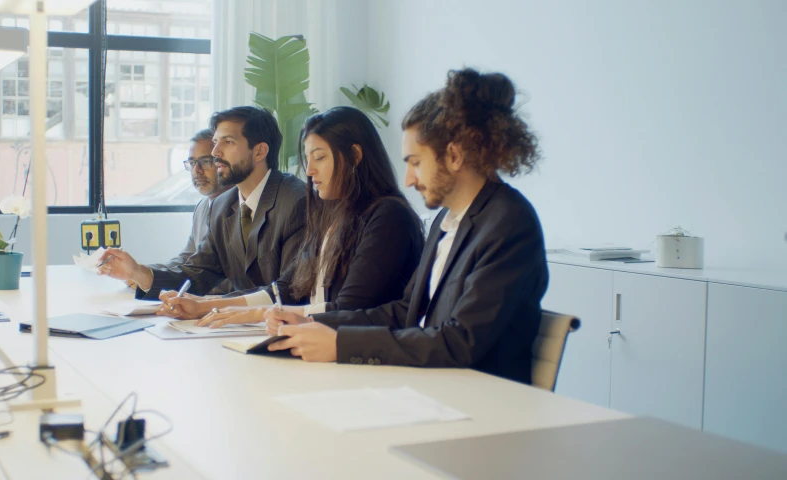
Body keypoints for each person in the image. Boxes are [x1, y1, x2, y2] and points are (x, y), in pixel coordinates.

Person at [264, 68, 549, 383]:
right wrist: (319, 324)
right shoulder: (447, 218)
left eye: (415, 163)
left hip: (480, 398)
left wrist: (341, 344)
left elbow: (460, 342)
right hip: (434, 383)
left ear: (453, 155)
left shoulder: (509, 223)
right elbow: (405, 311)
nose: (409, 179)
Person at [163, 107, 424, 326]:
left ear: (354, 156)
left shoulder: (388, 216)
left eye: (319, 158)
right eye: (308, 159)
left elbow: (348, 309)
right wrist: (208, 305)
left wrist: (251, 313)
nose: (309, 170)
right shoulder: (330, 214)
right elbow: (287, 288)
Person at [97, 106, 307, 301]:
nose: (216, 152)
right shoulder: (222, 206)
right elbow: (197, 275)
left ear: (260, 152)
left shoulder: (297, 201)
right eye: (216, 142)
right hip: (237, 329)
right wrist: (137, 272)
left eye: (228, 142)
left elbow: (290, 291)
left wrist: (208, 307)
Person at [116, 129, 231, 290]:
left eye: (205, 161)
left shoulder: (240, 209)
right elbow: (186, 259)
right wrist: (142, 272)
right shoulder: (202, 207)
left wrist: (147, 279)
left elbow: (227, 281)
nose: (196, 170)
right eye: (191, 163)